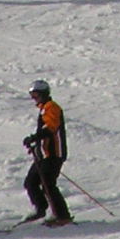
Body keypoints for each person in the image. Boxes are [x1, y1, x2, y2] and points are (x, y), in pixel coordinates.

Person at [22, 80, 73, 226]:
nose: (34, 98)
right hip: (43, 155)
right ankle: (40, 210)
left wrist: (34, 137)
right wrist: (35, 143)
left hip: (53, 154)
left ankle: (62, 216)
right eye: (32, 95)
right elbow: (45, 131)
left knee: (48, 185)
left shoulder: (52, 107)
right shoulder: (44, 108)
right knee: (30, 183)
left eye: (36, 95)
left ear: (44, 93)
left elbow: (51, 128)